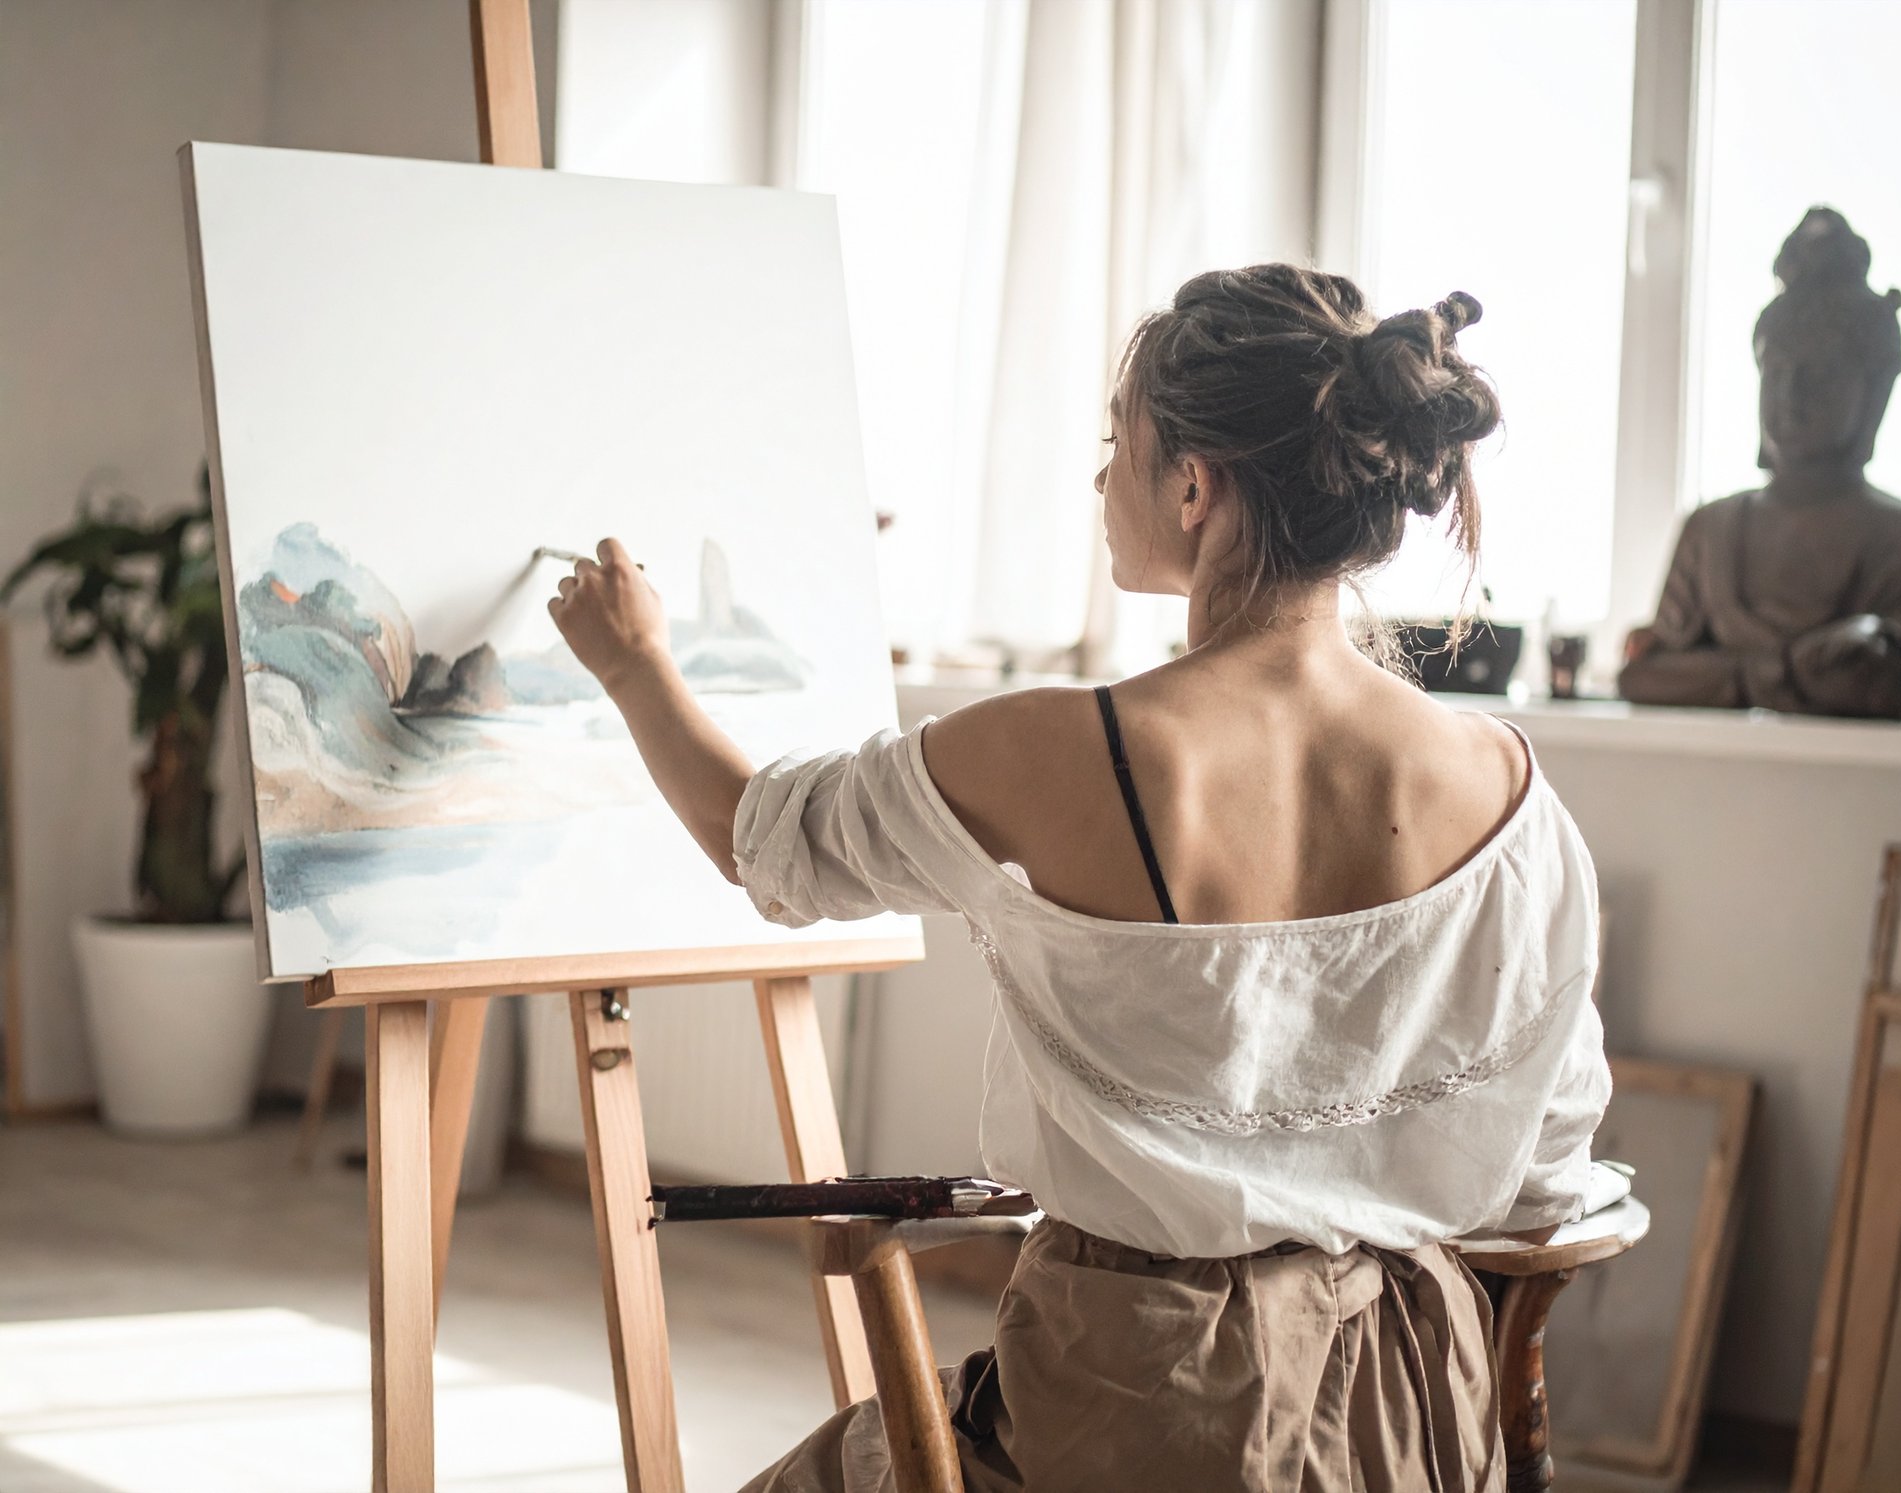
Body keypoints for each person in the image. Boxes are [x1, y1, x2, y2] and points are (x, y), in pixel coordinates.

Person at [549, 263, 1609, 1492]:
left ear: (1196, 486)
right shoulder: (1510, 789)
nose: (1103, 477)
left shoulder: (1056, 751)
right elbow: (1553, 1159)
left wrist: (633, 666)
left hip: (1139, 1412)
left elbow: (765, 840)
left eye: (1120, 443)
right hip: (1418, 1423)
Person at [1618, 207, 1901, 717]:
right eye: (1775, 371)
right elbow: (1645, 674)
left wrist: (1722, 674)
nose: (1789, 394)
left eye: (1819, 374)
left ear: (1870, 393)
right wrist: (1787, 672)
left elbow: (1880, 684)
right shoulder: (1714, 528)